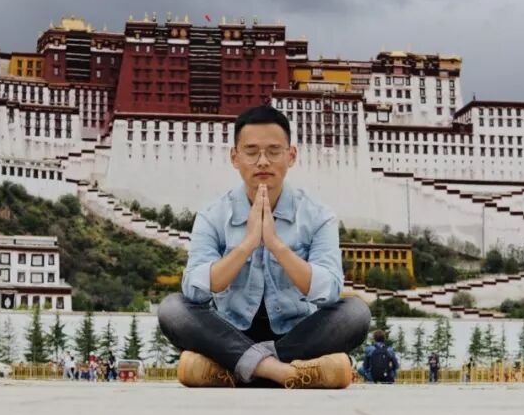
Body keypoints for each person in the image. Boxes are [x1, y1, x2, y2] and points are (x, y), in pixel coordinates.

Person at [158, 105, 371, 388]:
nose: (262, 162)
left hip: (295, 334)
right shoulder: (213, 215)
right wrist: (246, 245)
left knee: (355, 313)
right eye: (251, 152)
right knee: (172, 309)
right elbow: (195, 291)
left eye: (273, 151)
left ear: (291, 156)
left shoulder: (318, 216)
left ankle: (238, 370)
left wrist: (276, 245)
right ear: (234, 157)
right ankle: (283, 373)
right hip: (230, 332)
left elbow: (329, 291)